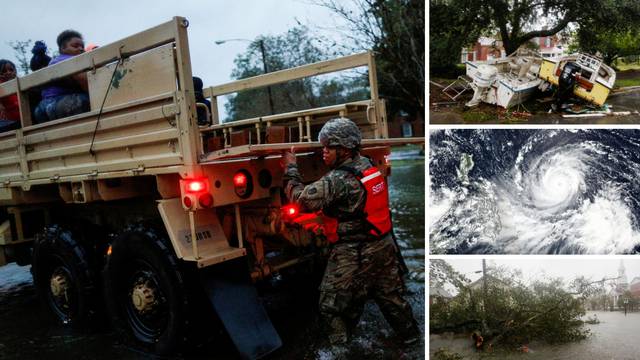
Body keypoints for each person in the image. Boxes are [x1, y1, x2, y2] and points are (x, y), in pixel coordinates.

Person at [282, 117, 419, 345]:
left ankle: (341, 351)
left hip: (354, 253)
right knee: (391, 299)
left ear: (344, 149)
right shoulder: (368, 165)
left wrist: (290, 167)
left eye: (328, 147)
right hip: (383, 246)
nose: (323, 152)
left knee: (330, 307)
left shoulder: (338, 180)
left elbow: (300, 199)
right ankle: (412, 339)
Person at [34, 30, 89, 123]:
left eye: (82, 46)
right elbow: (84, 80)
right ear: (63, 48)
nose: (80, 49)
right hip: (55, 104)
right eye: (75, 46)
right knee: (90, 99)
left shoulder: (57, 61)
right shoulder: (65, 60)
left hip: (42, 109)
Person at [0, 60, 21, 131]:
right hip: (8, 121)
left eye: (11, 69)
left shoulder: (19, 83)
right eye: (4, 71)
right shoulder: (2, 84)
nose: (8, 72)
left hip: (21, 119)